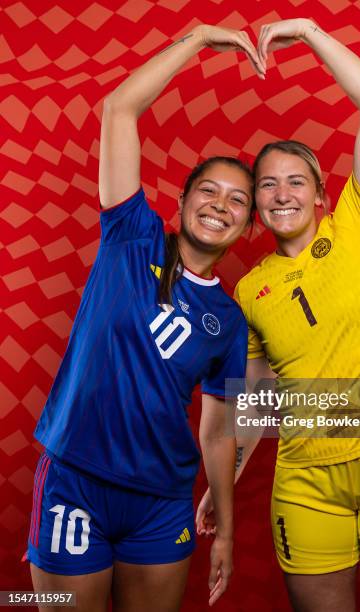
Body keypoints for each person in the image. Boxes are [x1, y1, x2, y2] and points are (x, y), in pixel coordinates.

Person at [197, 18, 360, 612]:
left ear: (320, 193)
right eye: (266, 185)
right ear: (256, 203)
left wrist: (307, 32)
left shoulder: (359, 225)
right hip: (308, 487)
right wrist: (223, 480)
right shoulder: (251, 291)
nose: (281, 194)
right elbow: (257, 401)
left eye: (295, 182)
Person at [25, 24, 266, 612]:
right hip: (75, 483)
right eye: (207, 191)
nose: (220, 204)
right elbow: (119, 109)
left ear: (247, 226)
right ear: (180, 204)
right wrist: (199, 37)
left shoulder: (230, 323)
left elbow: (217, 431)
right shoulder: (131, 239)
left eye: (237, 200)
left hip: (162, 501)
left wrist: (227, 531)